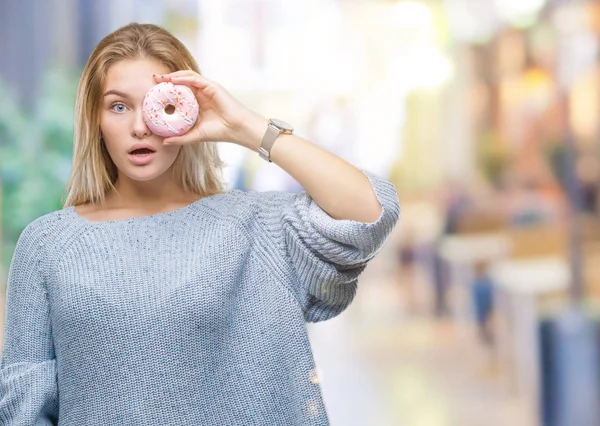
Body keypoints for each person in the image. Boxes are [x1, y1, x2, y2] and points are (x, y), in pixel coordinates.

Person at [0, 23, 400, 425]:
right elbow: (24, 407)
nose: (140, 126)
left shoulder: (252, 228)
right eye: (118, 106)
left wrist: (244, 126)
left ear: (186, 111)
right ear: (96, 122)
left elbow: (369, 212)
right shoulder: (47, 245)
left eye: (158, 104)